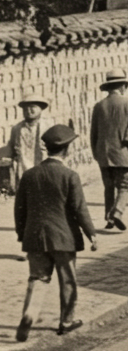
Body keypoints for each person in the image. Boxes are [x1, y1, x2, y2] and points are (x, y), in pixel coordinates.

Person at [13, 125, 97, 341]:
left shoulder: (30, 175)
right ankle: (67, 321)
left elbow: (19, 209)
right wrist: (91, 234)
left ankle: (29, 314)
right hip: (63, 237)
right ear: (66, 150)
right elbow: (79, 209)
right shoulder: (70, 175)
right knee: (68, 280)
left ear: (46, 149)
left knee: (38, 278)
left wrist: (22, 233)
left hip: (35, 237)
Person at [88, 70, 128, 232]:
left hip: (104, 154)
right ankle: (118, 212)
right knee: (124, 186)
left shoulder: (99, 106)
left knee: (108, 187)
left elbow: (93, 133)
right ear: (123, 86)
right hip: (123, 154)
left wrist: (96, 152)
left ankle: (109, 219)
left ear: (108, 87)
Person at [2, 95, 54, 197]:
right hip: (24, 170)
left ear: (40, 109)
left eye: (32, 107)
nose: (28, 111)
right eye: (25, 109)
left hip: (43, 169)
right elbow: (11, 147)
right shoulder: (17, 129)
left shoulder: (48, 126)